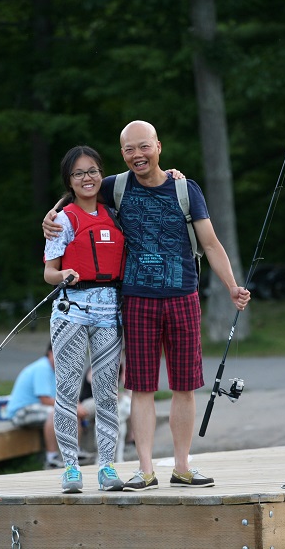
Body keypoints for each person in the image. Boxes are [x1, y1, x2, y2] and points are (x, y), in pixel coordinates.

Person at [44, 121, 251, 491]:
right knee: (141, 388)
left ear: (158, 146)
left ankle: (183, 467)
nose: (137, 155)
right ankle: (144, 469)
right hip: (136, 300)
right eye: (129, 149)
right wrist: (52, 213)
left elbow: (211, 243)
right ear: (122, 154)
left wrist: (232, 286)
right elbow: (80, 190)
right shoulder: (116, 186)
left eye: (143, 147)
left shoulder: (187, 190)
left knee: (185, 386)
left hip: (184, 296)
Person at [43, 145, 126, 493]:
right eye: (79, 173)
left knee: (107, 392)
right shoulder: (62, 220)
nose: (87, 178)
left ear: (101, 174)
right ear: (70, 181)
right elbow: (49, 272)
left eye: (92, 170)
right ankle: (71, 469)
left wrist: (175, 176)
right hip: (70, 312)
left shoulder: (117, 213)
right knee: (68, 391)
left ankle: (107, 467)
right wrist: (65, 275)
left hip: (110, 313)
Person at [4, 343, 92, 469]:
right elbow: (45, 399)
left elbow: (68, 396)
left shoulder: (57, 371)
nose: (64, 360)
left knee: (71, 411)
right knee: (54, 412)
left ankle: (76, 452)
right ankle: (51, 459)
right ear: (50, 353)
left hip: (37, 409)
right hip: (20, 412)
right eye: (61, 356)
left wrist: (76, 406)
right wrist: (72, 406)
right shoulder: (43, 367)